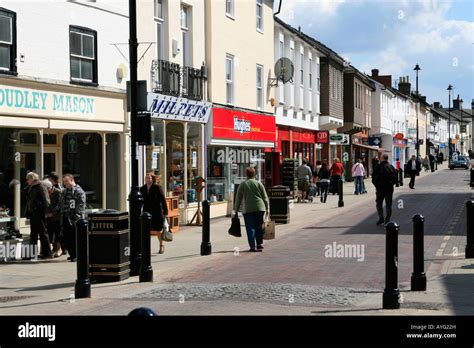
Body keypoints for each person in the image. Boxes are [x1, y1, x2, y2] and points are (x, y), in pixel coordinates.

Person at [234, 167, 269, 252]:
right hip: (260, 208)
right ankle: (259, 244)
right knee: (259, 226)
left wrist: (236, 210)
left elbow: (238, 198)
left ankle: (252, 246)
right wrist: (267, 208)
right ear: (254, 174)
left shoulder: (243, 184)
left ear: (246, 174)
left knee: (250, 228)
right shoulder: (259, 184)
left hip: (248, 209)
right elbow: (265, 197)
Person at [140, 172, 169, 254]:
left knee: (158, 230)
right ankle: (146, 248)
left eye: (149, 178)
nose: (147, 180)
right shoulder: (142, 189)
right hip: (146, 212)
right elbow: (141, 201)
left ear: (152, 179)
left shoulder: (157, 187)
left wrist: (165, 212)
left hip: (157, 212)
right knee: (145, 230)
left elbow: (163, 200)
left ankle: (161, 245)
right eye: (146, 178)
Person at [25, 172, 52, 259]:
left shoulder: (40, 186)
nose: (27, 181)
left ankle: (47, 253)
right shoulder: (32, 187)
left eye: (28, 179)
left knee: (43, 233)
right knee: (33, 234)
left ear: (32, 179)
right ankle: (32, 254)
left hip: (39, 214)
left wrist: (46, 213)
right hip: (34, 214)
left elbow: (46, 200)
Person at [60, 174, 86, 262]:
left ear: (72, 180)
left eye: (66, 181)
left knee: (74, 238)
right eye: (64, 182)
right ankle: (72, 254)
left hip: (74, 219)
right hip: (65, 217)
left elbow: (81, 205)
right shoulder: (64, 191)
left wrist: (77, 217)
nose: (65, 183)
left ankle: (76, 255)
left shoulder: (79, 191)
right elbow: (61, 204)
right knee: (65, 237)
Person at [372, 154, 397, 225]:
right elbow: (395, 178)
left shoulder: (378, 167)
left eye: (380, 157)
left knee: (379, 203)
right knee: (388, 204)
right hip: (389, 189)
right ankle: (387, 219)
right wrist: (391, 184)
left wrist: (377, 186)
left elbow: (374, 178)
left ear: (382, 158)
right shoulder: (391, 167)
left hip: (380, 189)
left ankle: (381, 218)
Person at [42, 180, 63, 257]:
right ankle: (53, 249)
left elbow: (60, 205)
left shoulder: (58, 192)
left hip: (57, 217)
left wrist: (53, 213)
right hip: (48, 217)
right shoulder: (45, 193)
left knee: (57, 233)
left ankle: (58, 249)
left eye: (45, 189)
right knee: (50, 233)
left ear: (49, 188)